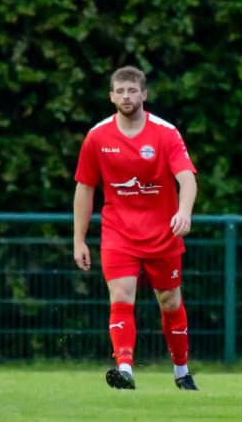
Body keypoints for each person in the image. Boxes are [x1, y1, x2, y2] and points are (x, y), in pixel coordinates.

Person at [73, 66, 199, 391]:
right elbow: (85, 187)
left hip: (163, 234)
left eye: (132, 90)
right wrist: (79, 239)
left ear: (144, 94)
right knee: (121, 295)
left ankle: (182, 371)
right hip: (119, 233)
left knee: (169, 301)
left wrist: (184, 212)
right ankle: (125, 368)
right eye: (120, 91)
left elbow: (187, 178)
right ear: (111, 96)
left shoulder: (166, 133)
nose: (126, 96)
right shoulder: (97, 137)